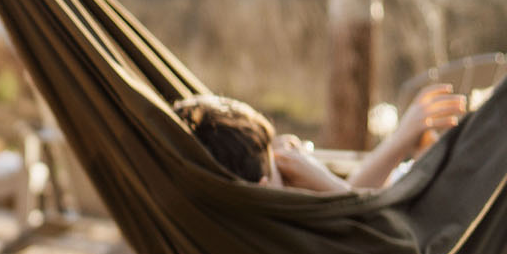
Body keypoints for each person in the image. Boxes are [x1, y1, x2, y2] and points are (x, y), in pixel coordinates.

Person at [173, 83, 467, 191]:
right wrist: (323, 182)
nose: (284, 155)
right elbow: (377, 222)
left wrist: (402, 140)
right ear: (262, 189)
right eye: (273, 157)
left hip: (400, 187)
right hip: (421, 212)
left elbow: (355, 201)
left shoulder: (272, 223)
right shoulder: (289, 227)